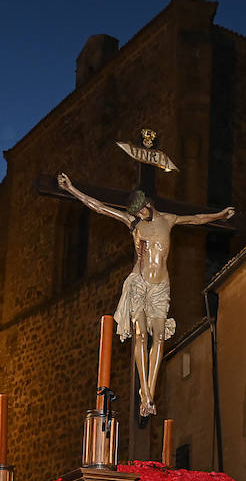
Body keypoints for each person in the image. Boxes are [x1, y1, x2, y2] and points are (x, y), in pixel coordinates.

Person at [57, 172, 235, 417]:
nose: (139, 215)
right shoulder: (133, 223)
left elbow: (196, 219)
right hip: (139, 283)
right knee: (141, 336)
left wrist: (220, 215)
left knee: (159, 338)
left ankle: (148, 390)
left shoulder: (168, 220)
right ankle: (147, 396)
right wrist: (71, 189)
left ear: (148, 205)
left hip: (161, 285)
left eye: (141, 211)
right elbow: (99, 207)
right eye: (136, 213)